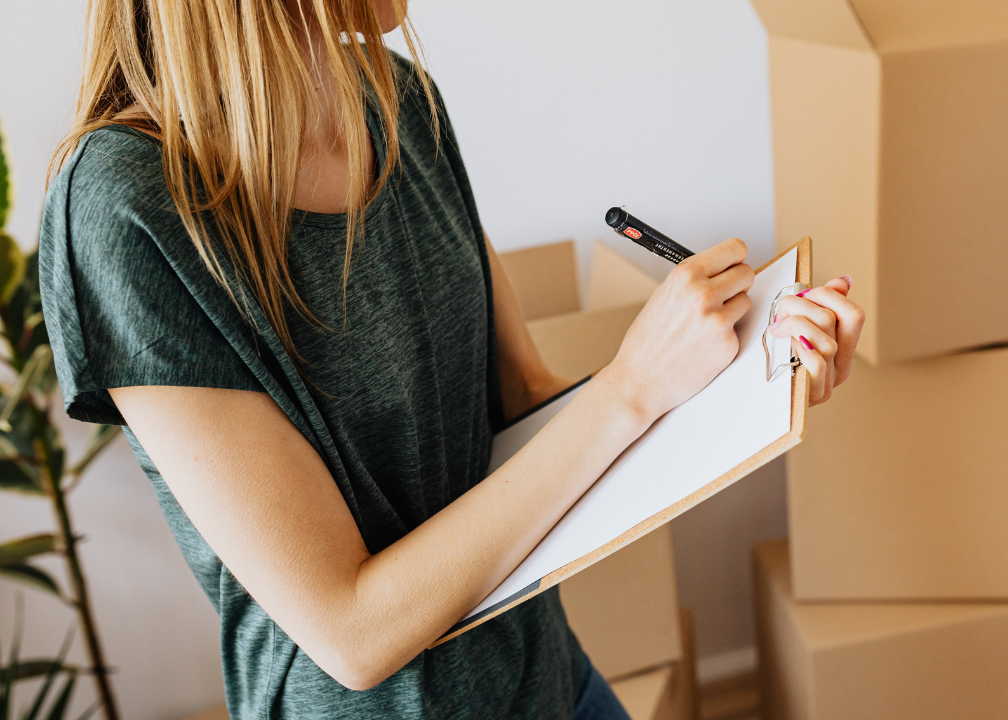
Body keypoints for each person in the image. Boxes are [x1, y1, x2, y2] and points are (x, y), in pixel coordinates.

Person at [40, 1, 864, 718]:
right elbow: (351, 631)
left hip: (549, 680)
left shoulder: (401, 101)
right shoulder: (124, 205)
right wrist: (633, 385)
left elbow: (530, 403)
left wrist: (745, 379)